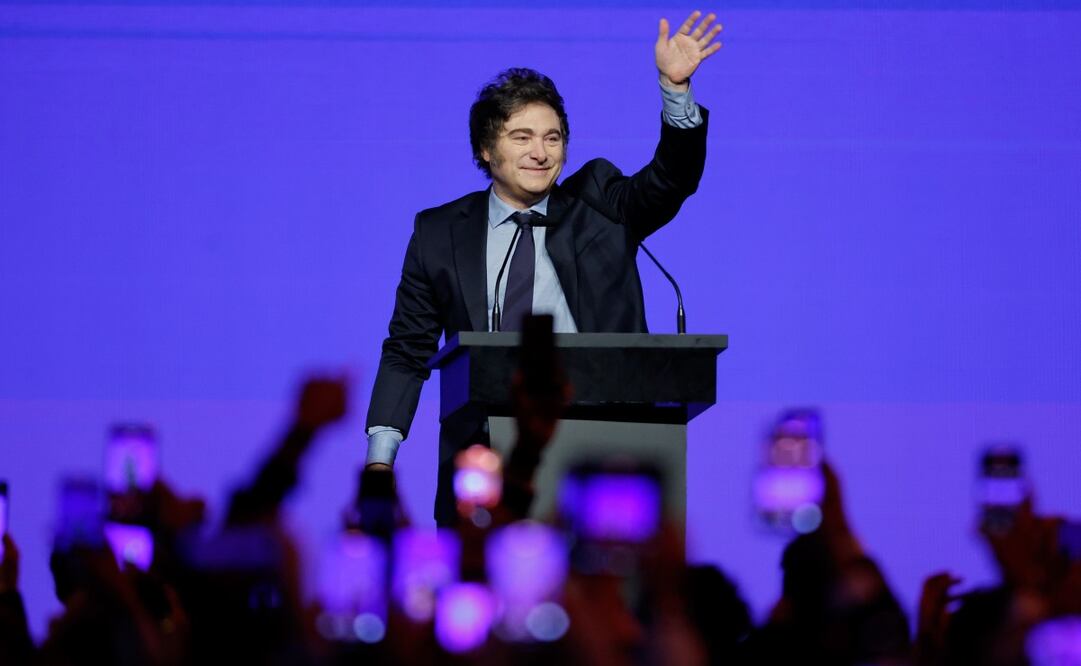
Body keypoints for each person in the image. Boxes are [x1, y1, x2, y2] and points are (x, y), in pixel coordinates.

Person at [366, 11, 723, 524]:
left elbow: (671, 181)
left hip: (603, 455)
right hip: (482, 465)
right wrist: (381, 460)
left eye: (553, 138)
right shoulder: (439, 233)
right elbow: (407, 349)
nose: (540, 153)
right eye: (522, 137)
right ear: (486, 150)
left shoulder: (598, 201)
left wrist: (675, 89)